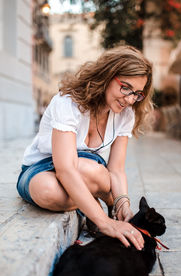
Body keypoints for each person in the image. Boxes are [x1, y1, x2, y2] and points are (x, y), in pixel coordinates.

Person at [16, 45, 153, 250]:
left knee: (93, 171)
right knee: (48, 191)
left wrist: (122, 203)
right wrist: (104, 222)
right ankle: (96, 203)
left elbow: (116, 169)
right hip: (42, 167)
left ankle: (105, 200)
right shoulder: (68, 102)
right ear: (108, 75)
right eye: (126, 87)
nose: (130, 99)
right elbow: (66, 169)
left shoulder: (126, 114)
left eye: (137, 93)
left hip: (88, 170)